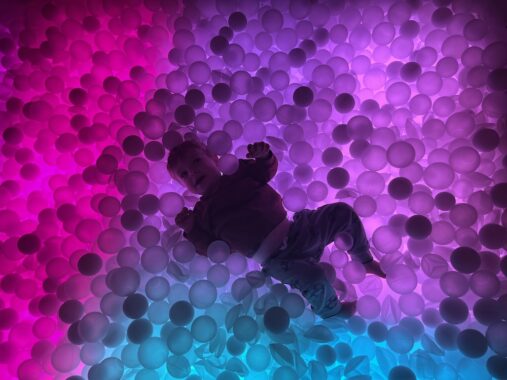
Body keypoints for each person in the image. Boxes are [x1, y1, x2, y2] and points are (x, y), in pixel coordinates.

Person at [166, 137, 385, 319]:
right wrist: (192, 228)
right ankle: (330, 310)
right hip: (279, 261)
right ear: (183, 186)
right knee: (314, 278)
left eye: (196, 162)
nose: (192, 173)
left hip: (298, 231)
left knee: (341, 212)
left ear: (214, 158)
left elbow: (264, 171)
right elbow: (209, 247)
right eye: (184, 174)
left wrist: (264, 156)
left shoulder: (237, 171)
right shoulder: (203, 214)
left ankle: (364, 259)